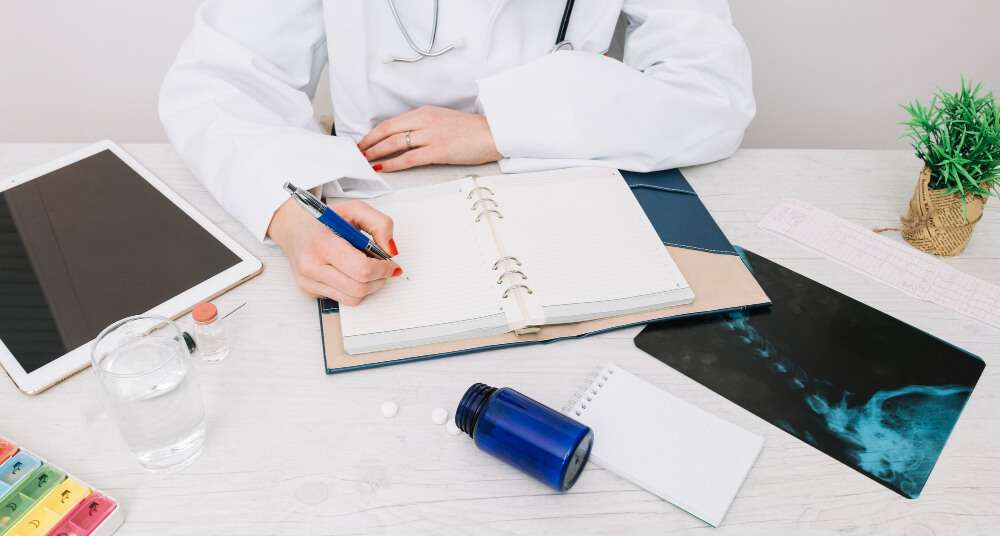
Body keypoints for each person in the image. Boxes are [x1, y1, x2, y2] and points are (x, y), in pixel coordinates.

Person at [159, 1, 755, 305]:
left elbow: (713, 94)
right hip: (378, 195)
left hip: (562, 182)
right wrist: (291, 215)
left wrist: (499, 127)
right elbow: (216, 84)